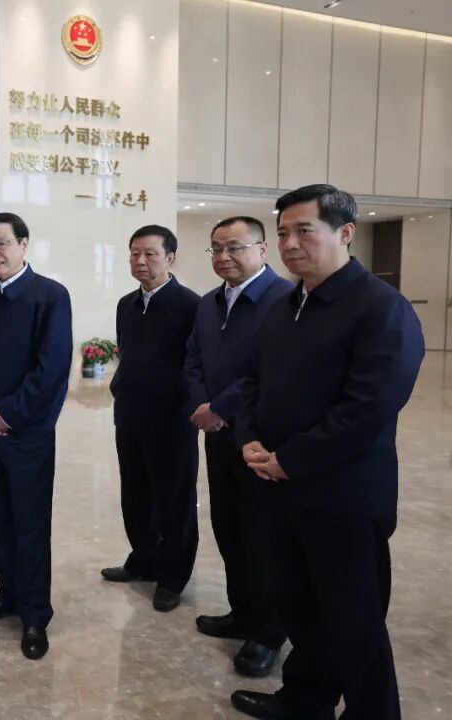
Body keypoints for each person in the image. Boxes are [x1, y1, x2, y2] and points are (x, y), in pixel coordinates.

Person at [230, 185, 424, 720]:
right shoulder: (284, 307)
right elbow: (253, 382)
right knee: (301, 609)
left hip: (345, 498)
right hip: (281, 490)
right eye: (283, 233)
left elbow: (370, 407)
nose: (290, 243)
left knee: (354, 621)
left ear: (344, 233)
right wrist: (249, 436)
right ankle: (305, 702)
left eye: (304, 231)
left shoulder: (382, 308)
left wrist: (292, 459)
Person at [0, 212, 72, 660]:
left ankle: (35, 613)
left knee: (30, 524)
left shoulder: (50, 296)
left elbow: (51, 370)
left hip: (28, 435)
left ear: (24, 245)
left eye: (2, 243)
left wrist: (9, 416)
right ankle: (7, 593)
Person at [183, 216, 293, 677]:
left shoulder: (284, 299)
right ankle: (242, 612)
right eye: (217, 248)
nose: (224, 256)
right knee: (228, 526)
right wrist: (201, 405)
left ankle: (268, 633)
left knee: (262, 535)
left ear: (262, 250)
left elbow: (266, 369)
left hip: (257, 438)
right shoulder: (210, 302)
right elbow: (192, 358)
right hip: (217, 434)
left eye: (235, 247)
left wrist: (220, 407)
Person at [102, 225, 200, 612]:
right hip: (129, 415)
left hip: (172, 420)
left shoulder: (190, 305)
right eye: (134, 254)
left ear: (170, 258)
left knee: (174, 500)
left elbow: (195, 364)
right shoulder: (126, 304)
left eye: (150, 254)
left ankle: (173, 576)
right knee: (136, 496)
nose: (140, 261)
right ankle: (143, 560)